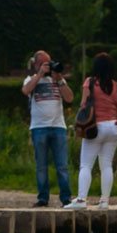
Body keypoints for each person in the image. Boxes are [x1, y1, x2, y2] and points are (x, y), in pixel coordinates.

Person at [70, 52, 117, 210]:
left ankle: (81, 200)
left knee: (86, 165)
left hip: (95, 127)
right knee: (106, 165)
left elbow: (83, 104)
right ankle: (104, 201)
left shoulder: (90, 82)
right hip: (113, 128)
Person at [22, 50, 74, 207]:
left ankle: (66, 198)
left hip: (58, 127)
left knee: (62, 166)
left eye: (50, 63)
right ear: (37, 64)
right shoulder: (31, 79)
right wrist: (39, 75)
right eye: (45, 63)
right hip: (39, 128)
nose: (49, 66)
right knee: (41, 166)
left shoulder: (57, 80)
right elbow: (25, 90)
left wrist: (59, 79)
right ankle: (43, 198)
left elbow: (70, 98)